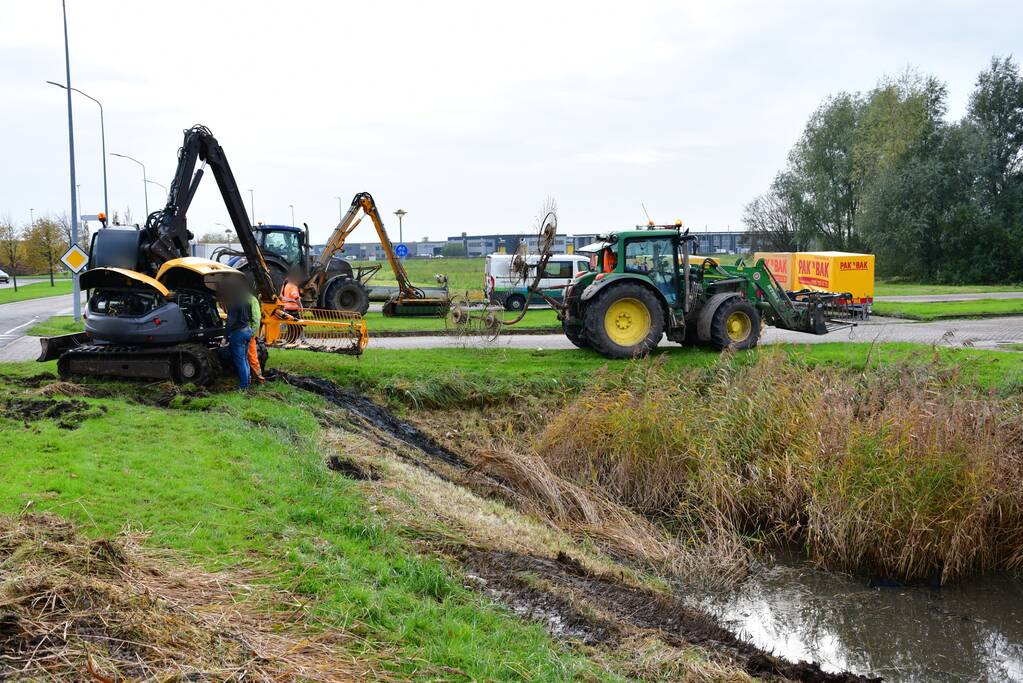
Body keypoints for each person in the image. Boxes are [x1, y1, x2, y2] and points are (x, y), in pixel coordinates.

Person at [224, 282, 253, 390]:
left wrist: (225, 337)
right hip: (247, 330)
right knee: (245, 359)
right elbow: (250, 316)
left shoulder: (233, 303)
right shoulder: (247, 302)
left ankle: (244, 386)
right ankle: (247, 382)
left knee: (240, 361)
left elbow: (230, 321)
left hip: (238, 333)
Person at [247, 291, 265, 384]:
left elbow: (256, 318)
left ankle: (258, 378)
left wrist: (252, 333)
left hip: (247, 332)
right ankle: (253, 377)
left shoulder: (251, 300)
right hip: (246, 331)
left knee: (251, 357)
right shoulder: (250, 299)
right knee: (248, 357)